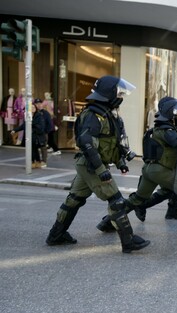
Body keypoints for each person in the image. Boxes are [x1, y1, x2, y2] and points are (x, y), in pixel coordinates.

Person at [45, 75, 150, 253]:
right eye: (119, 93)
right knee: (116, 200)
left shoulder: (108, 113)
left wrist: (120, 162)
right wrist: (101, 170)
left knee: (74, 199)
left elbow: (111, 143)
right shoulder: (94, 115)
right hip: (91, 165)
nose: (121, 97)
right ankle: (129, 241)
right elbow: (87, 144)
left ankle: (56, 235)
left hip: (89, 164)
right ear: (109, 93)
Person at [96, 96, 177, 237]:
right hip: (161, 170)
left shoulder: (159, 128)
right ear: (169, 113)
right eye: (175, 112)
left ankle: (107, 222)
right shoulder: (167, 131)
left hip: (150, 170)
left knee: (137, 199)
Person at [12, 98, 52, 168]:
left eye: (34, 107)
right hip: (32, 136)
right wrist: (15, 130)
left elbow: (46, 125)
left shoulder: (42, 114)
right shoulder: (29, 116)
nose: (34, 108)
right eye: (32, 107)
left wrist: (46, 131)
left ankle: (42, 162)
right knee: (33, 149)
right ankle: (35, 162)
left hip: (40, 134)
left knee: (42, 148)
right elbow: (24, 125)